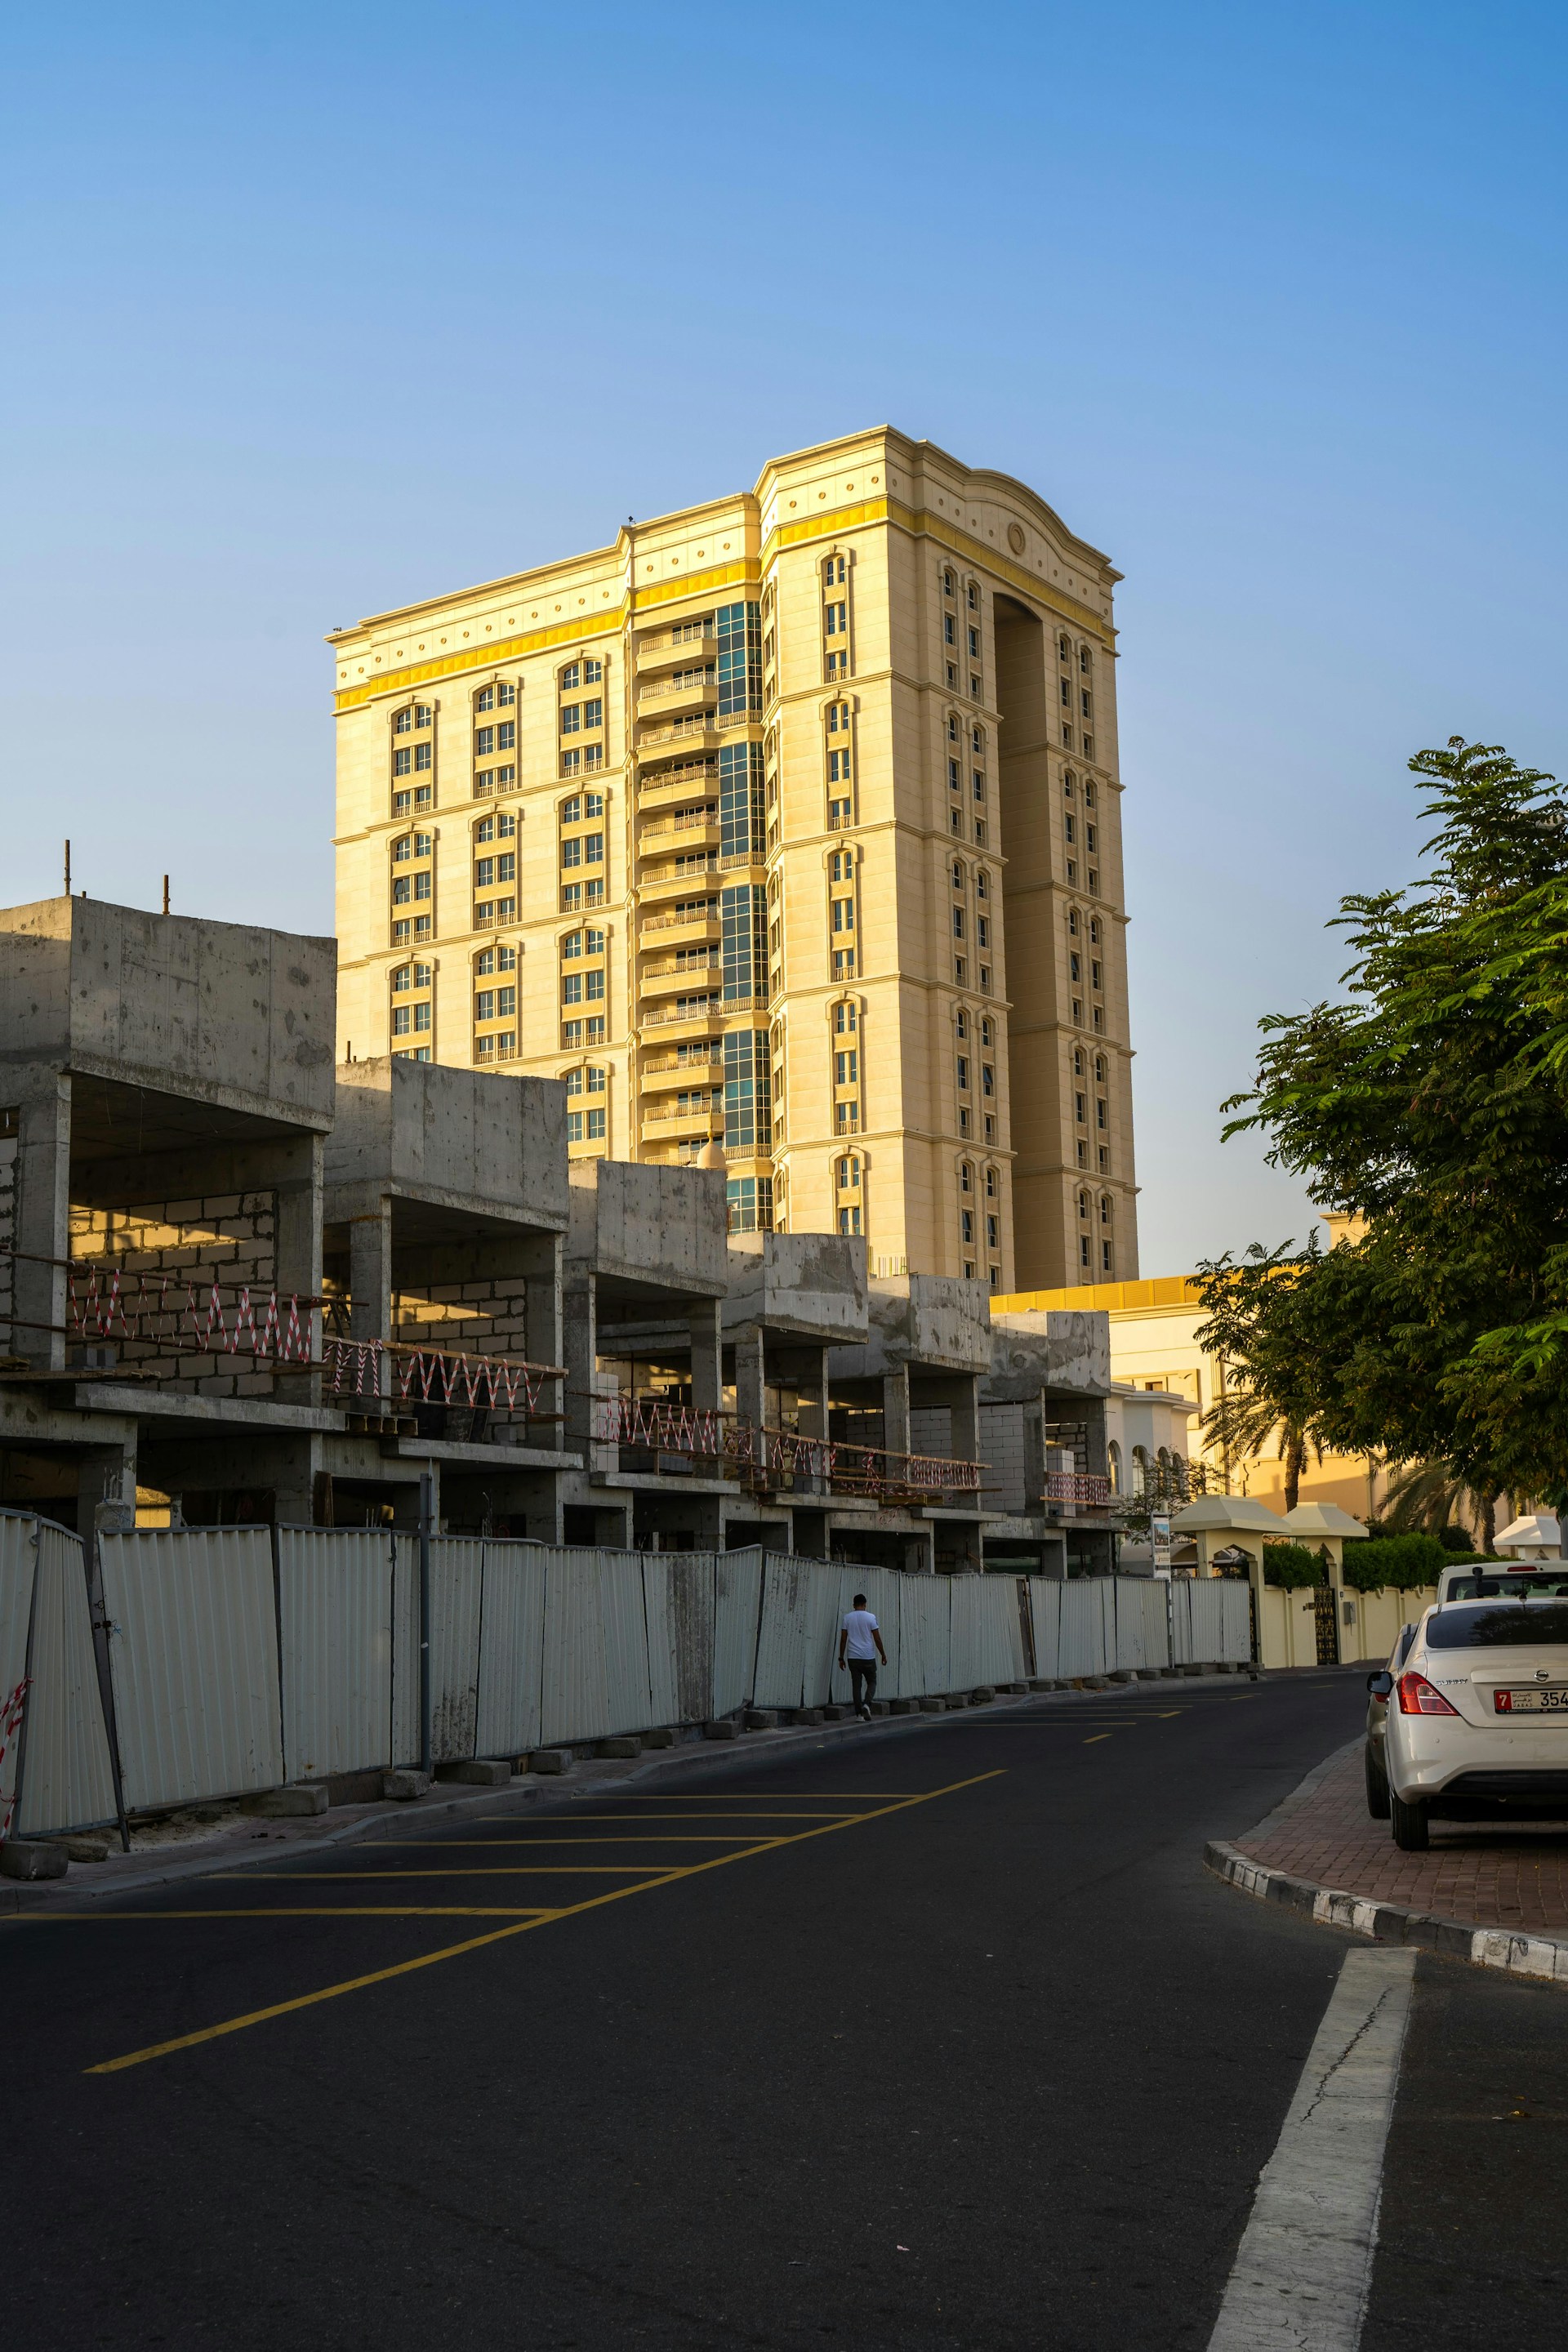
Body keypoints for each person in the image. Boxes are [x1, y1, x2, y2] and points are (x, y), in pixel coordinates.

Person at [838, 1592, 888, 1720]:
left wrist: (841, 1657)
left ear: (853, 1605)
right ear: (865, 1605)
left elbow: (843, 1639)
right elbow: (877, 1638)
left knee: (856, 1685)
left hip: (852, 1657)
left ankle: (859, 1714)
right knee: (872, 1681)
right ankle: (866, 1704)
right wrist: (883, 1654)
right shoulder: (871, 1617)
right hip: (868, 1657)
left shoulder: (847, 1618)